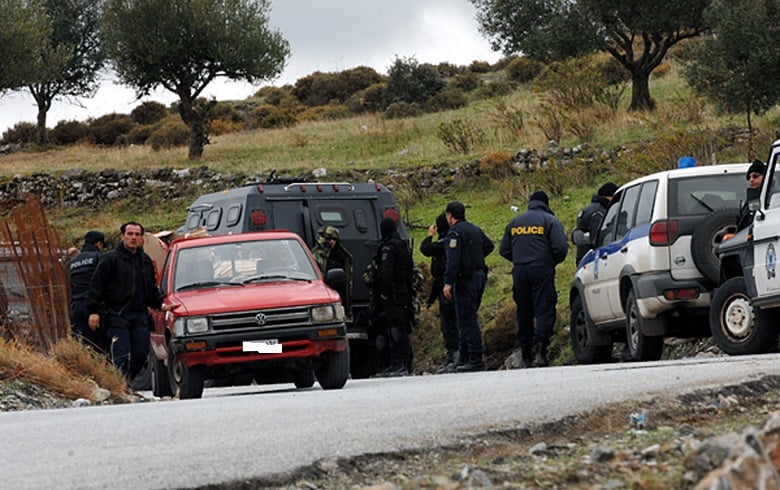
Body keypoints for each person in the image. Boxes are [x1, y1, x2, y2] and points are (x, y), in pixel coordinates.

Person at [86, 222, 176, 381]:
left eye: (137, 234)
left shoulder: (145, 261)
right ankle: (121, 385)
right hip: (116, 316)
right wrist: (93, 311)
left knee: (141, 355)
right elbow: (96, 286)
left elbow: (150, 288)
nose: (133, 238)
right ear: (122, 236)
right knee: (121, 354)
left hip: (139, 316)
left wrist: (161, 304)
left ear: (141, 238)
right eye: (130, 234)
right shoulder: (110, 259)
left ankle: (126, 382)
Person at [499, 190, 568, 368]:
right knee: (544, 307)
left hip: (520, 270)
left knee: (524, 311)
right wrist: (550, 261)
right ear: (546, 203)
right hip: (541, 268)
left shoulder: (515, 222)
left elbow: (504, 249)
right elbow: (560, 247)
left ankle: (525, 353)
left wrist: (519, 259)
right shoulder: (549, 220)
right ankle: (540, 351)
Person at [442, 201, 495, 372]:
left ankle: (475, 358)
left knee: (467, 319)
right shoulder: (474, 229)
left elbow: (452, 260)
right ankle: (463, 358)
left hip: (465, 279)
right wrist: (475, 258)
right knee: (465, 317)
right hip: (479, 276)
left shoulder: (455, 233)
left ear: (450, 216)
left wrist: (448, 282)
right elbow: (489, 245)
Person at [370, 217, 414, 377]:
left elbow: (385, 273)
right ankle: (404, 363)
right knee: (400, 327)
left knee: (395, 328)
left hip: (393, 294)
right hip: (403, 292)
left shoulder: (388, 248)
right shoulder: (402, 246)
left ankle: (399, 364)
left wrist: (383, 292)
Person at [420, 212, 458, 371]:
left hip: (447, 285)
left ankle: (454, 355)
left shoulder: (444, 243)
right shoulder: (453, 239)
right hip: (454, 284)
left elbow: (425, 248)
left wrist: (429, 235)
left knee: (449, 322)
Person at [69, 230, 107, 352]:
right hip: (93, 307)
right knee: (101, 346)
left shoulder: (73, 262)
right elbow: (103, 283)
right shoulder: (98, 257)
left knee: (86, 346)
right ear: (98, 244)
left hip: (76, 307)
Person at [311, 225, 353, 316]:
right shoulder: (315, 256)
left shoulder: (342, 255)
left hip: (340, 295)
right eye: (329, 239)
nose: (332, 242)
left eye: (334, 239)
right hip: (322, 296)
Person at [573, 181, 617, 264]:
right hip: (592, 259)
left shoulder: (589, 209)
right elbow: (597, 237)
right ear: (608, 196)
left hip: (584, 256)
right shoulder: (598, 213)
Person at [737, 159, 765, 232]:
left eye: (755, 176)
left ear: (765, 176)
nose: (751, 180)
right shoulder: (750, 198)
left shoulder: (772, 196)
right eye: (749, 177)